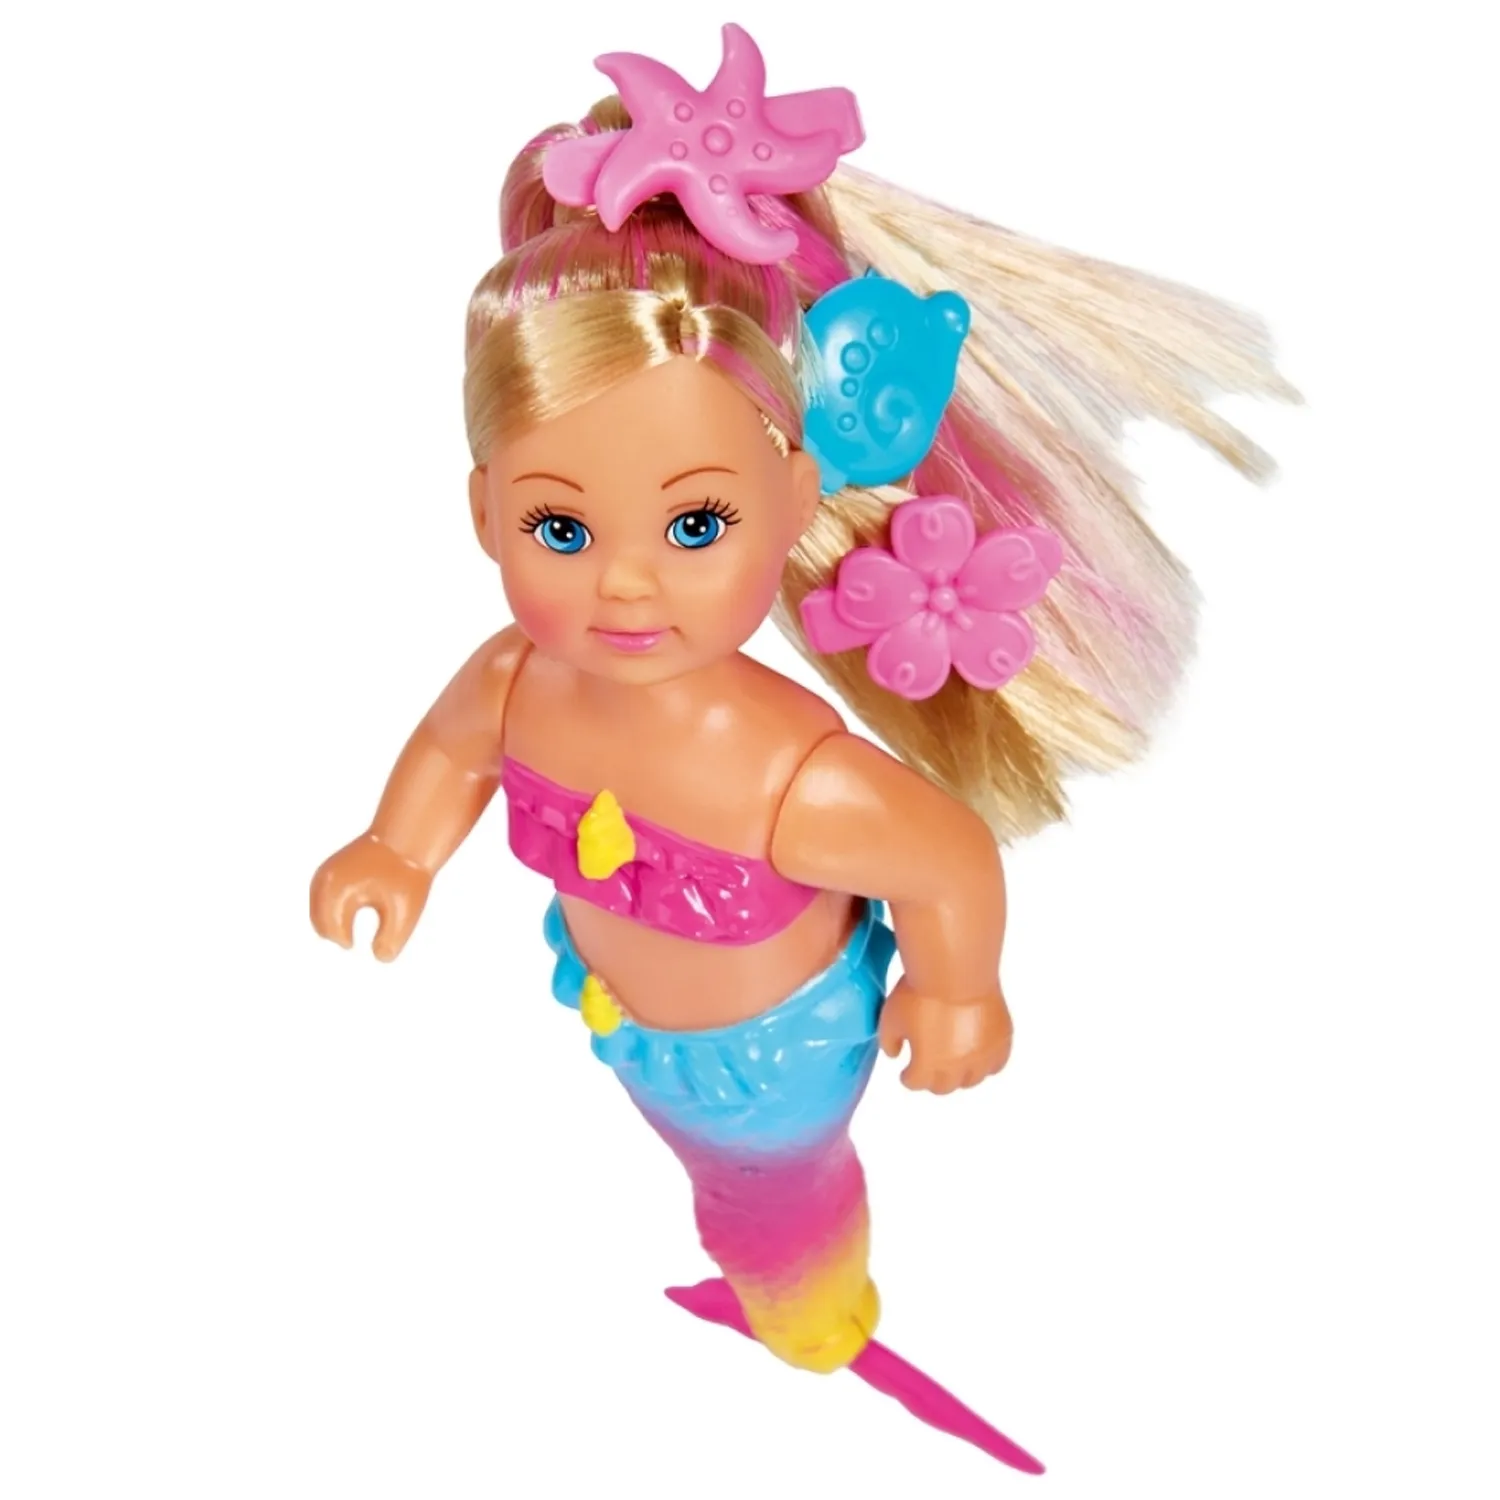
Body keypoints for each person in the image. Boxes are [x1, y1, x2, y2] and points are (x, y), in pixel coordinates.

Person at [309, 24, 1293, 1469]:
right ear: (483, 517)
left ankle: (816, 1315)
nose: (623, 582)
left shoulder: (787, 775)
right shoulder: (518, 679)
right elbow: (451, 749)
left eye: (694, 525)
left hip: (776, 1056)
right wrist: (396, 846)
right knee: (709, 1167)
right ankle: (770, 1266)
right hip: (615, 1004)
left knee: (775, 1191)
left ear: (793, 500)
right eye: (559, 528)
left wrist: (958, 991)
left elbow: (944, 858)